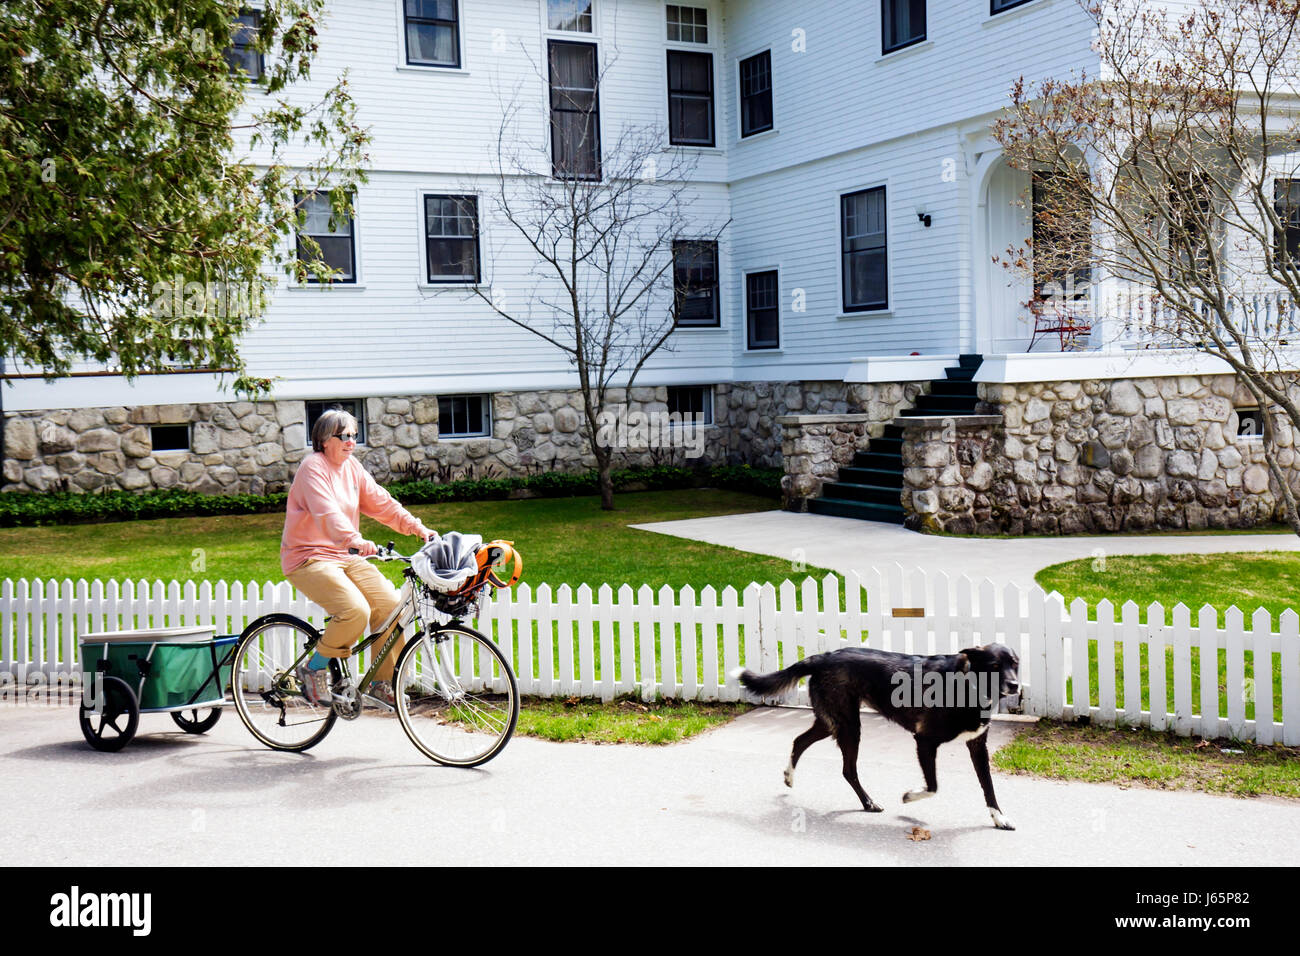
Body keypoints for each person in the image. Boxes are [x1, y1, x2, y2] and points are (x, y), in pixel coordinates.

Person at [280, 408, 435, 707]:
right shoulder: (313, 468)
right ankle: (312, 669)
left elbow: (381, 503)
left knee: (390, 606)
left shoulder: (351, 467)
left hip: (346, 554)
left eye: (354, 435)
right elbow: (326, 513)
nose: (351, 442)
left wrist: (418, 528)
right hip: (309, 557)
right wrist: (355, 540)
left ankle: (381, 682)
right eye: (344, 436)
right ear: (325, 440)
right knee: (354, 611)